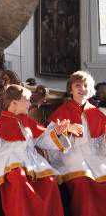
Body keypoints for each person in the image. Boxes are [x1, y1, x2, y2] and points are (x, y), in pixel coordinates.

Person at [0, 84, 78, 216]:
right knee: (19, 178)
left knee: (49, 180)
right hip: (10, 162)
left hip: (32, 161)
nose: (30, 103)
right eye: (27, 100)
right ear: (14, 102)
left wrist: (57, 133)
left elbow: (43, 139)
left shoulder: (28, 122)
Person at [47, 71, 106, 216]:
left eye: (85, 85)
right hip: (71, 156)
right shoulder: (62, 112)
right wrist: (65, 130)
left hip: (95, 156)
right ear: (71, 89)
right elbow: (47, 138)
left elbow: (102, 142)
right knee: (83, 181)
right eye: (77, 85)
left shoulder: (98, 113)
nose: (82, 88)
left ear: (90, 90)